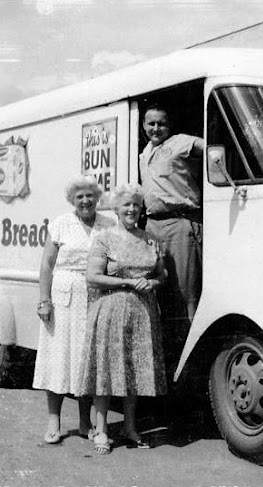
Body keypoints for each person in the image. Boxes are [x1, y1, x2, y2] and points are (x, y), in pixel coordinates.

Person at [77, 184, 167, 454]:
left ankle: (130, 428)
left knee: (134, 372)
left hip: (142, 313)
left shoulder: (150, 238)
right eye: (127, 204)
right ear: (116, 209)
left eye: (136, 205)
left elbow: (162, 275)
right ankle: (102, 429)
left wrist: (153, 283)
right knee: (106, 371)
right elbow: (92, 277)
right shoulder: (104, 238)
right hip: (110, 311)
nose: (132, 209)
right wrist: (128, 282)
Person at [33, 175, 115, 445]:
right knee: (58, 358)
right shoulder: (60, 224)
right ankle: (54, 420)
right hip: (64, 298)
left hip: (96, 297)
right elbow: (47, 264)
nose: (85, 201)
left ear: (97, 198)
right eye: (80, 196)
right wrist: (44, 301)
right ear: (72, 200)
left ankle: (83, 422)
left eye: (90, 195)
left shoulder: (108, 224)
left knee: (86, 361)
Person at [139, 104, 204, 372]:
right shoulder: (145, 152)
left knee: (185, 293)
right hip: (153, 225)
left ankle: (191, 365)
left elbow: (209, 147)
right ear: (143, 126)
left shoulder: (180, 142)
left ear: (170, 126)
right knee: (160, 291)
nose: (156, 129)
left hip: (180, 221)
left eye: (161, 124)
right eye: (151, 124)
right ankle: (169, 361)